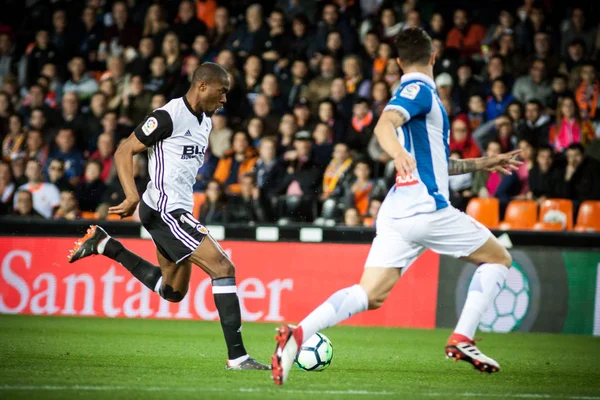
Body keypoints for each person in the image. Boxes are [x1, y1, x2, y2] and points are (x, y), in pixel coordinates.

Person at [271, 28, 522, 385]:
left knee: (369, 295)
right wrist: (397, 151)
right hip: (426, 208)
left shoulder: (421, 98)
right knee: (499, 259)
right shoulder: (417, 89)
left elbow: (438, 164)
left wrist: (483, 163)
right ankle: (463, 337)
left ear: (399, 61)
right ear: (433, 58)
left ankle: (297, 335)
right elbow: (384, 124)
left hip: (397, 213)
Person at [67, 62, 269, 370]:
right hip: (164, 209)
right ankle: (238, 357)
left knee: (172, 291)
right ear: (202, 86)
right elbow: (124, 151)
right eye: (222, 91)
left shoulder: (205, 121)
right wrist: (132, 194)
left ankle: (106, 245)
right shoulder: (168, 115)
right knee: (223, 266)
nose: (225, 99)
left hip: (174, 209)